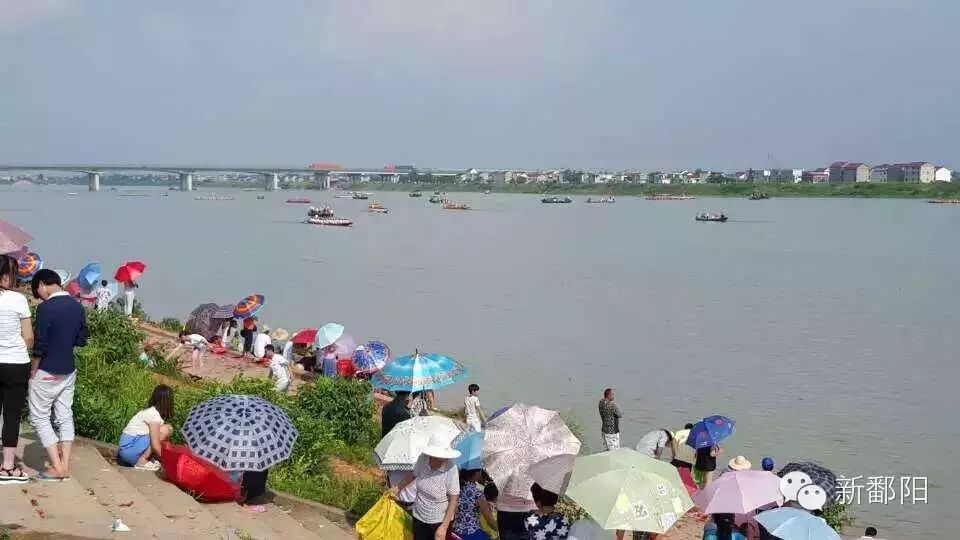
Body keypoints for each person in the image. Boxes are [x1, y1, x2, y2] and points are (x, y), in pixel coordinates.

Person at [29, 269, 88, 480]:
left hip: (47, 368)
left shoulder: (46, 308)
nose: (40, 296)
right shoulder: (77, 306)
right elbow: (82, 339)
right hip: (68, 369)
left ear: (42, 285)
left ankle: (56, 467)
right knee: (65, 415)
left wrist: (34, 367)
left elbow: (40, 343)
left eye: (38, 291)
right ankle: (65, 464)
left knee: (40, 417)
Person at [0, 255, 33, 484]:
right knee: (11, 415)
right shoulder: (18, 299)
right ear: (6, 275)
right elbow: (28, 336)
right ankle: (8, 467)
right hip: (15, 364)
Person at [391, 434, 461, 540]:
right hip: (419, 516)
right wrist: (397, 488)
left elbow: (454, 499)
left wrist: (444, 527)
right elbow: (412, 475)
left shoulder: (451, 468)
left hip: (440, 520)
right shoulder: (423, 459)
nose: (445, 458)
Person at [117, 385, 173, 470]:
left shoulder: (150, 411)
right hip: (130, 450)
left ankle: (144, 458)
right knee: (166, 429)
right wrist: (170, 462)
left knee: (162, 430)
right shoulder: (154, 415)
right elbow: (155, 445)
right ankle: (142, 460)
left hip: (125, 451)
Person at [452, 469, 497, 540]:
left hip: (455, 533)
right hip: (472, 533)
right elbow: (488, 518)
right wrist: (499, 529)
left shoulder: (456, 488)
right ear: (476, 473)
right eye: (479, 471)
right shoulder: (477, 493)